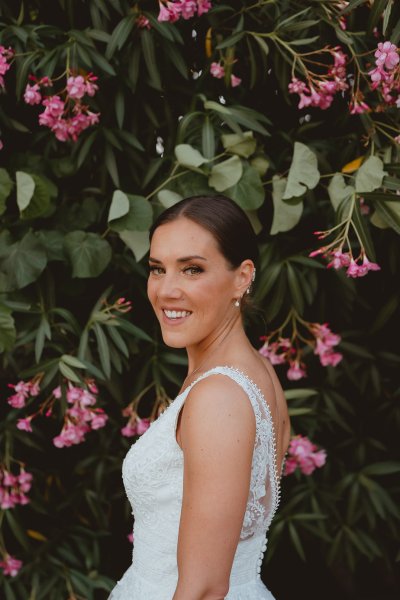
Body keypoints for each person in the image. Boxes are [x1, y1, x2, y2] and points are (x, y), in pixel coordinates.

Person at [109, 195, 290, 600]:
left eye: (192, 269)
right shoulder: (254, 373)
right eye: (158, 269)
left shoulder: (219, 397)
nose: (167, 290)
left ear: (242, 277)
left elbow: (205, 588)